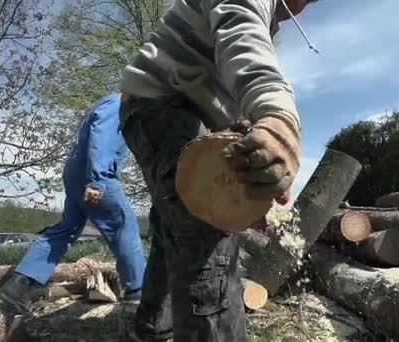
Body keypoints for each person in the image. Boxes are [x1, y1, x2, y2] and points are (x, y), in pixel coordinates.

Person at [118, 0, 314, 340]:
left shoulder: (266, 20)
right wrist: (279, 119)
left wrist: (256, 158)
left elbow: (222, 93)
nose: (302, 10)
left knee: (175, 221)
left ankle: (154, 326)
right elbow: (244, 41)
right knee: (209, 231)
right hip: (165, 104)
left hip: (165, 107)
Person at [0, 92, 146, 314]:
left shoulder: (109, 102)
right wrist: (97, 179)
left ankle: (20, 284)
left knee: (68, 227)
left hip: (77, 174)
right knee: (123, 224)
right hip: (94, 175)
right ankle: (138, 290)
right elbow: (102, 138)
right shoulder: (118, 104)